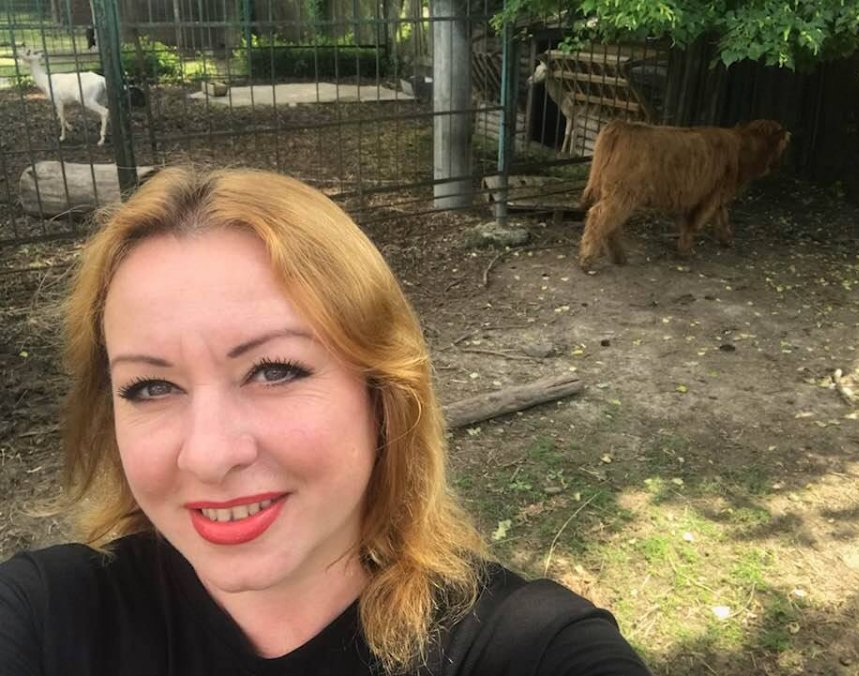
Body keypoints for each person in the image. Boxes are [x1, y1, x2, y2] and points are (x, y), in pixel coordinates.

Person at [0, 167, 651, 675]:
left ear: (382, 392)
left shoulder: (527, 648)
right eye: (150, 386)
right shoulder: (44, 614)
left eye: (274, 370)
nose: (209, 454)